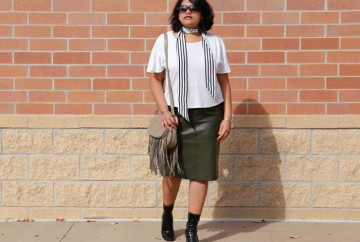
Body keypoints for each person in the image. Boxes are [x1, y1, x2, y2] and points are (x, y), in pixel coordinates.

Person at [146, 0, 232, 241]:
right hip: (175, 116)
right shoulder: (165, 41)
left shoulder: (215, 42)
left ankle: (192, 226)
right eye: (182, 8)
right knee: (172, 172)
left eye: (193, 8)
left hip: (209, 116)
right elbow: (155, 79)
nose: (187, 12)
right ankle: (167, 214)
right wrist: (164, 111)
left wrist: (227, 117)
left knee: (201, 173)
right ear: (177, 13)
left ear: (202, 13)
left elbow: (224, 81)